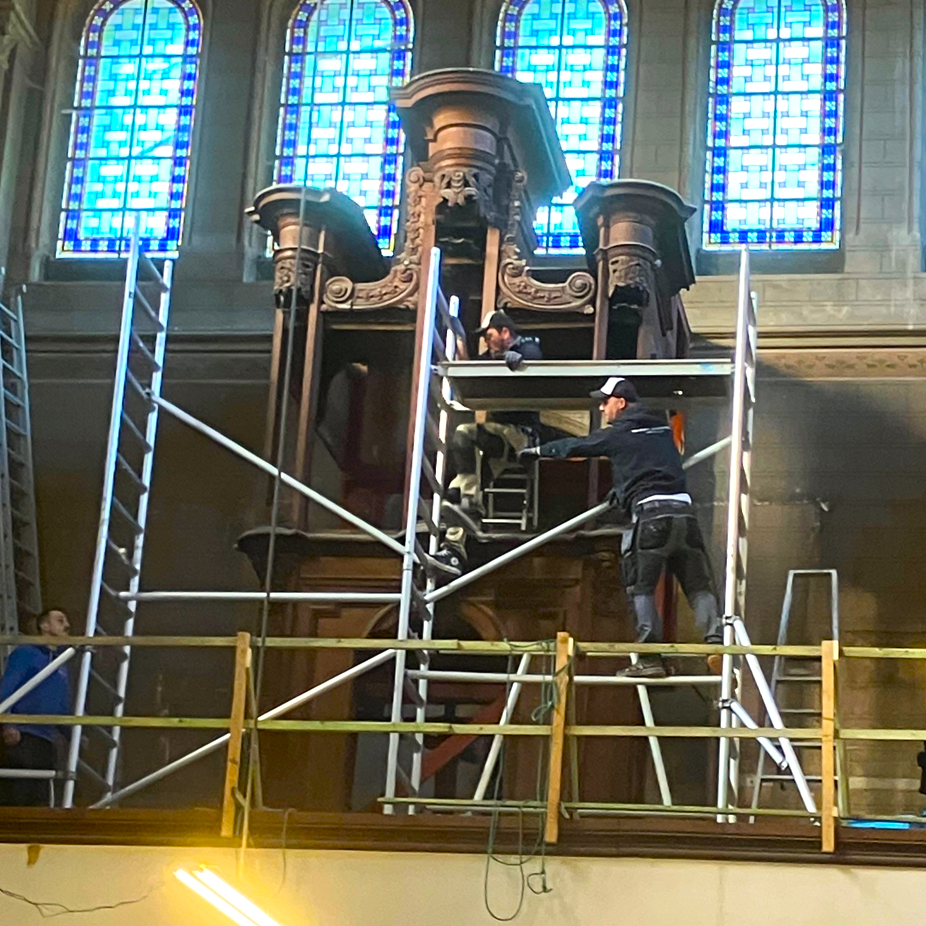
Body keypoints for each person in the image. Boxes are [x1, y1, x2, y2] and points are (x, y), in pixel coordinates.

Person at [519, 377, 723, 678]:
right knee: (698, 587)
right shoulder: (662, 431)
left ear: (621, 402)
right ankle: (716, 644)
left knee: (641, 588)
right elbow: (648, 465)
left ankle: (650, 658)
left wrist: (537, 451)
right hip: (684, 515)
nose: (602, 408)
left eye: (605, 402)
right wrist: (623, 490)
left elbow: (578, 446)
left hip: (651, 517)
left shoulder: (617, 434)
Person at [429, 311, 543, 577]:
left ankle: (469, 510)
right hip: (497, 441)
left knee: (463, 434)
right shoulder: (491, 357)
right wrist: (460, 344)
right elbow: (470, 373)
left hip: (520, 436)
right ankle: (454, 551)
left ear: (505, 332)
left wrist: (517, 361)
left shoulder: (527, 346)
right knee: (459, 489)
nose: (487, 342)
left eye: (489, 335)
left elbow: (534, 357)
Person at [0, 608, 71, 805]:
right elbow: (7, 687)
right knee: (17, 795)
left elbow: (61, 703)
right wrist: (7, 723)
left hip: (46, 739)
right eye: (60, 620)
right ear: (44, 626)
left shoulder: (60, 663)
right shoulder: (27, 653)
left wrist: (72, 733)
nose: (67, 626)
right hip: (23, 734)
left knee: (40, 798)